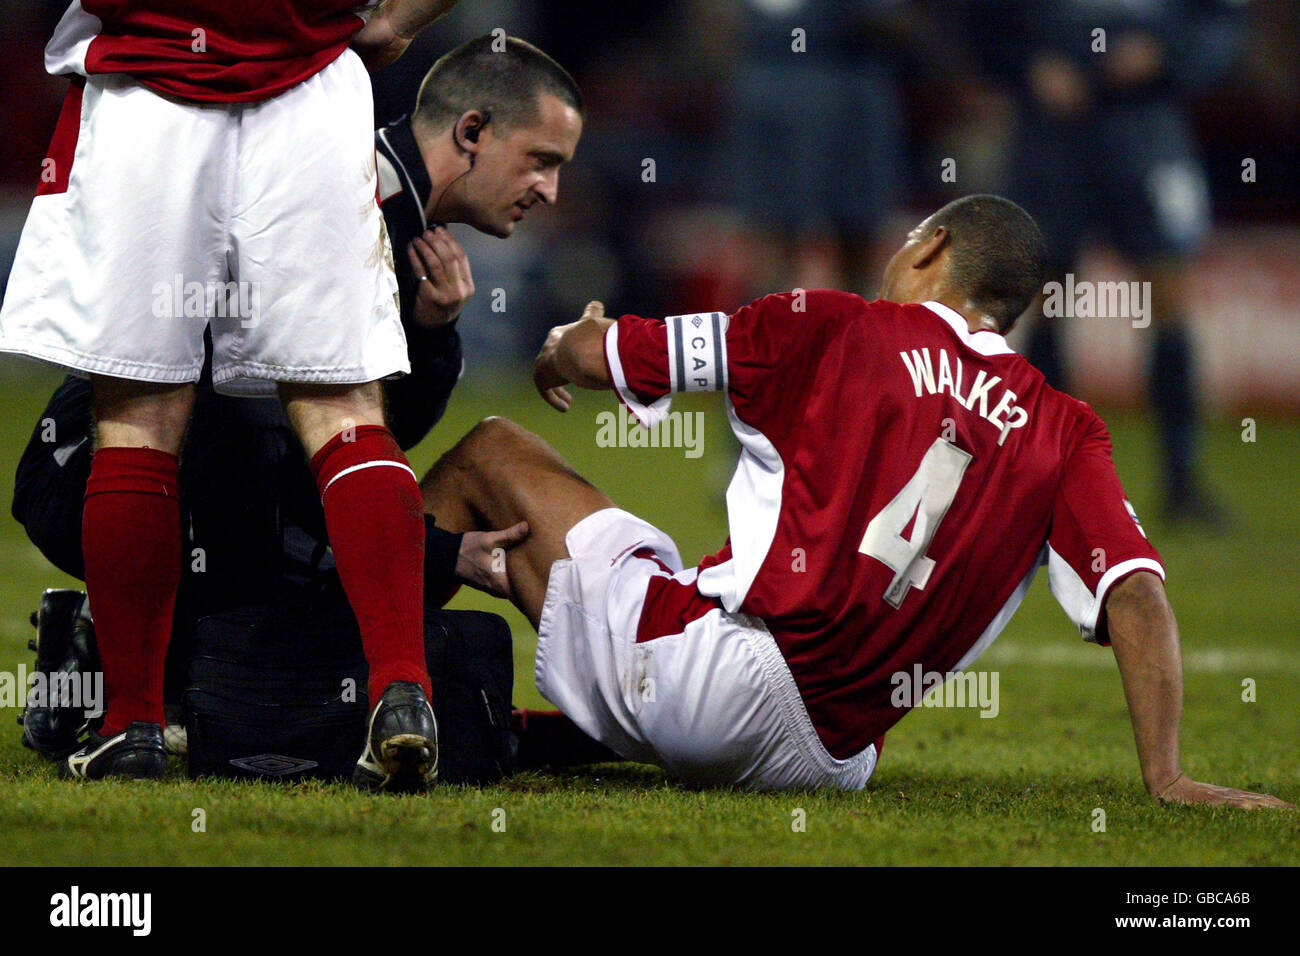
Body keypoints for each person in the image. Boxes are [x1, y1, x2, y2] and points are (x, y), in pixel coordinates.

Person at [417, 195, 1291, 808]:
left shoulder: (835, 323)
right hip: (832, 757)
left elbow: (618, 357)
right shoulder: (1068, 429)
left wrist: (570, 339)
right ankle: (540, 727)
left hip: (718, 687)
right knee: (664, 570)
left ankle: (339, 668)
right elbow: (1136, 592)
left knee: (492, 451)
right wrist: (1169, 777)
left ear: (929, 250)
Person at [10, 32, 587, 784]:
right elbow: (271, 441)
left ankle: (127, 687)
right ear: (473, 132)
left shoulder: (397, 216)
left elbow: (377, 431)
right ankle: (124, 675)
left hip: (182, 469)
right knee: (301, 561)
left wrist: (437, 337)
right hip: (87, 471)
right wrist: (440, 553)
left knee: (312, 507)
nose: (550, 191)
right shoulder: (339, 189)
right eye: (543, 160)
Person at [964, 0, 1250, 524]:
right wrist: (1027, 65)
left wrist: (1166, 56)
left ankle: (1182, 485)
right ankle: (1043, 482)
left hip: (1146, 127)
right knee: (1047, 296)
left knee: (1168, 291)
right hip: (1052, 132)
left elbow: (1223, 22)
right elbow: (974, 23)